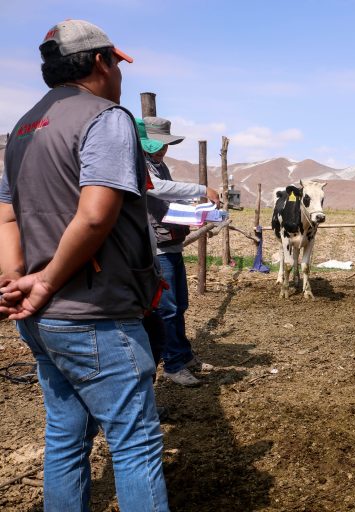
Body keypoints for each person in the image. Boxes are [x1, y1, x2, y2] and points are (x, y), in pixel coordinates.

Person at [0, 20, 169, 511]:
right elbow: (95, 216)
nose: (120, 74)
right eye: (117, 63)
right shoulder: (106, 118)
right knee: (135, 444)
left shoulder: (22, 129)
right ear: (101, 61)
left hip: (41, 317)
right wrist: (47, 280)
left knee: (65, 437)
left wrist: (17, 280)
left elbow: (6, 215)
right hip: (95, 312)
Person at [142, 116, 219, 387]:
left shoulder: (158, 165)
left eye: (165, 145)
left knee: (179, 305)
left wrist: (196, 209)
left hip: (170, 242)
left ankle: (183, 356)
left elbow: (169, 197)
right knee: (168, 308)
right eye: (158, 144)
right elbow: (159, 190)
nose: (163, 149)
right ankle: (173, 364)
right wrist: (201, 190)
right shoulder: (141, 165)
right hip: (158, 247)